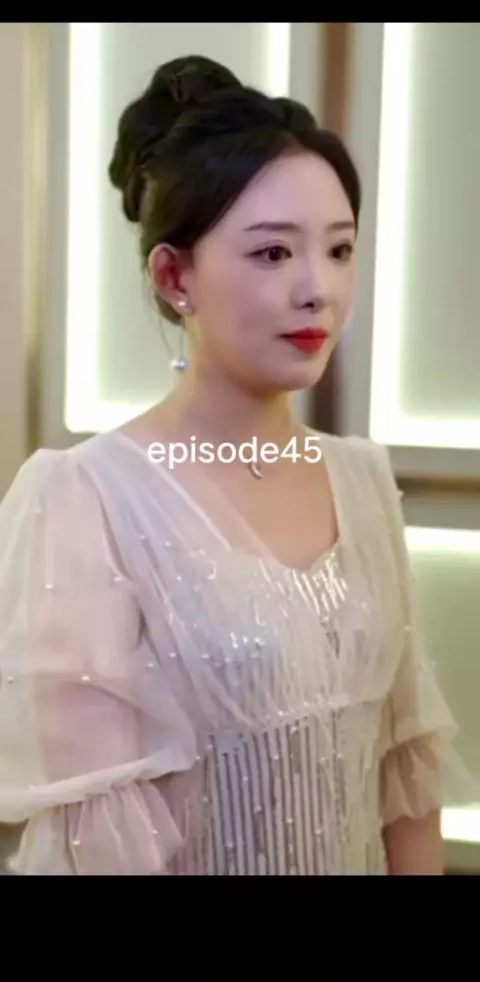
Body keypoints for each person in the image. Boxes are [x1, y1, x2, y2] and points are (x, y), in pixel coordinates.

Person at [0, 55, 470, 875]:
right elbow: (99, 842)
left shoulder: (362, 480)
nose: (318, 288)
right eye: (273, 253)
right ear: (174, 274)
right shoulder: (87, 499)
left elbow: (406, 775)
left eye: (340, 249)